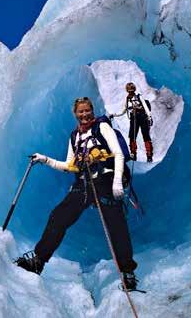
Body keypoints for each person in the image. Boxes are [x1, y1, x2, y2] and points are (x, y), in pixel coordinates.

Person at [15, 97, 138, 290]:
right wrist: (45, 159)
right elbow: (70, 166)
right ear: (76, 114)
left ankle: (128, 273)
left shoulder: (102, 127)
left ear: (92, 110)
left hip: (106, 180)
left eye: (88, 110)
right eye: (81, 111)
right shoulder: (74, 137)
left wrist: (117, 182)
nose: (85, 114)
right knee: (58, 217)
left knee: (116, 227)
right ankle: (39, 261)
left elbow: (118, 154)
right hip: (85, 184)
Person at [111, 82, 154, 162]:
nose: (130, 91)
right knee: (132, 136)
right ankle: (133, 154)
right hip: (134, 119)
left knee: (146, 136)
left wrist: (149, 117)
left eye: (131, 89)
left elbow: (145, 106)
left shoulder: (139, 96)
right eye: (129, 90)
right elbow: (124, 110)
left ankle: (149, 155)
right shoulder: (127, 99)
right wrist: (114, 115)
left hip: (142, 117)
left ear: (134, 89)